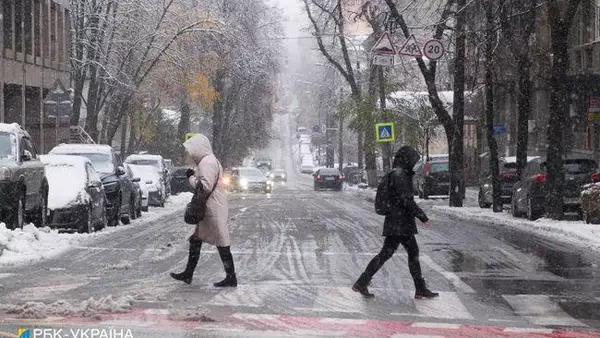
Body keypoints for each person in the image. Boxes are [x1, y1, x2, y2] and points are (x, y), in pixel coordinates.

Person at [353, 145, 438, 299]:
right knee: (395, 253)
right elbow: (406, 200)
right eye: (413, 160)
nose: (414, 164)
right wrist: (423, 217)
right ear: (407, 160)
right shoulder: (399, 175)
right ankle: (362, 282)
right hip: (399, 223)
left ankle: (363, 282)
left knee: (404, 253)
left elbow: (404, 199)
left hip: (398, 222)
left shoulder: (400, 173)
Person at [170, 134, 237, 287]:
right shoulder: (210, 160)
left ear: (199, 148)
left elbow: (204, 186)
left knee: (221, 241)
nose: (191, 153)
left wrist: (191, 178)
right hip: (212, 206)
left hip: (212, 208)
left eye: (192, 149)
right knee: (196, 239)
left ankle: (231, 276)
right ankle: (188, 273)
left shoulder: (206, 162)